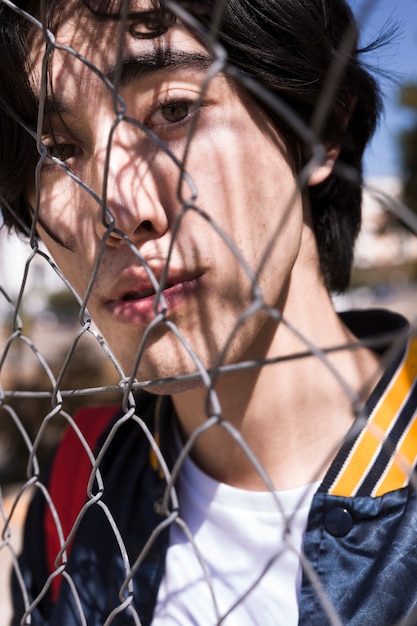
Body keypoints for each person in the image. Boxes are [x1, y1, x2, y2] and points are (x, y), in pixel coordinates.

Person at [1, 0, 416, 624]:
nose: (119, 210)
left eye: (173, 111)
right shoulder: (75, 494)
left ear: (320, 128)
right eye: (58, 150)